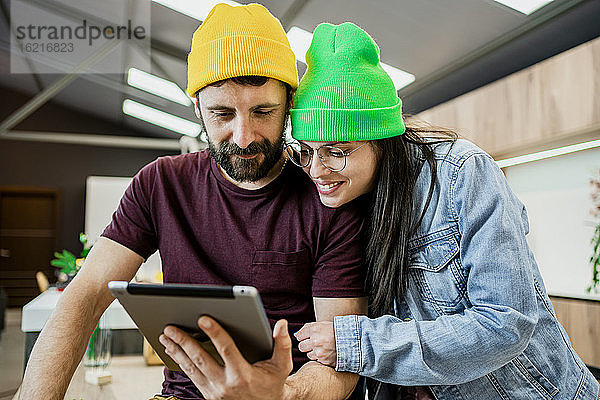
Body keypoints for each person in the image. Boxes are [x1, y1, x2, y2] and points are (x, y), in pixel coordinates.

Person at [19, 5, 368, 400]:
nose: (243, 137)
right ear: (197, 107)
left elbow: (343, 363)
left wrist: (280, 394)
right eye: (222, 113)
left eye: (263, 111)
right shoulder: (161, 183)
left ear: (289, 104)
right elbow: (85, 295)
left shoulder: (328, 196)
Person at [290, 22, 600, 399]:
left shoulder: (462, 174)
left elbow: (506, 322)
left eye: (336, 151)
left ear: (382, 141)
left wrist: (359, 343)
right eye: (306, 151)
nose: (317, 170)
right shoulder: (347, 204)